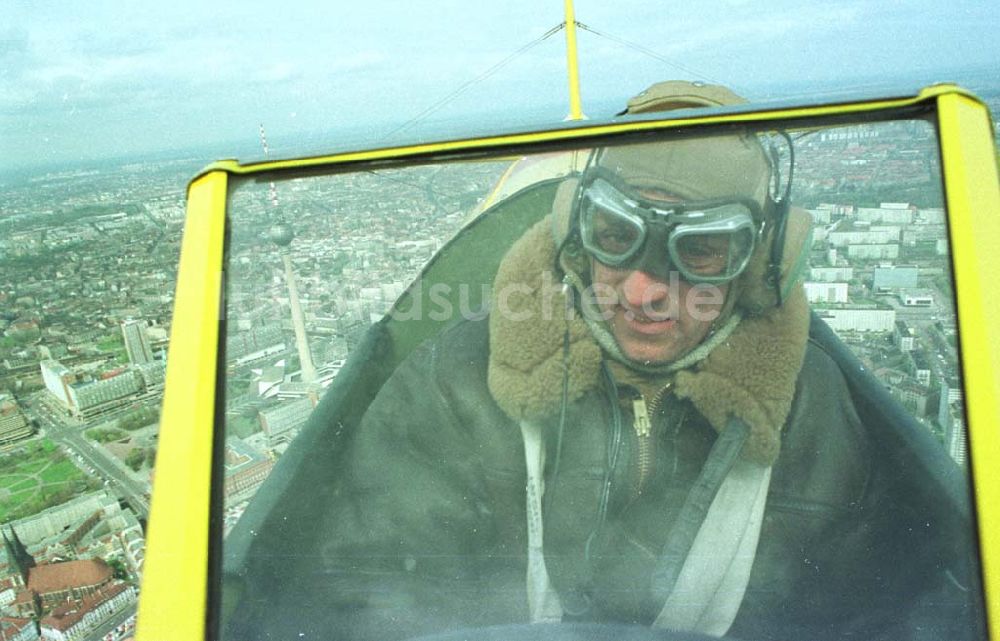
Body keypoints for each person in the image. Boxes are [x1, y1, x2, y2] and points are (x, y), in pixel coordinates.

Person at [225, 81, 982, 641]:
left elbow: (868, 611)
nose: (646, 290)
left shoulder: (811, 414)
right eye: (618, 235)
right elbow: (361, 597)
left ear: (759, 268)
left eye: (701, 250)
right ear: (575, 230)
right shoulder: (457, 381)